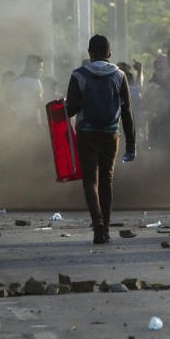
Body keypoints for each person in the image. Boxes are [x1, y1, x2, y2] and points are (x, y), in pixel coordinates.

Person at [65, 35, 136, 245]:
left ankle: (98, 225)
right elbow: (127, 111)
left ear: (90, 53)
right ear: (109, 54)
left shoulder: (78, 75)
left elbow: (72, 108)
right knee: (107, 180)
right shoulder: (120, 75)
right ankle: (106, 226)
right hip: (110, 134)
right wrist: (131, 143)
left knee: (90, 180)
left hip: (86, 133)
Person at [10, 55, 45, 126]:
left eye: (41, 67)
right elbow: (39, 102)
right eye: (39, 67)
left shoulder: (16, 81)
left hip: (16, 122)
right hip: (32, 122)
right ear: (30, 66)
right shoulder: (35, 81)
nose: (41, 70)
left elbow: (13, 102)